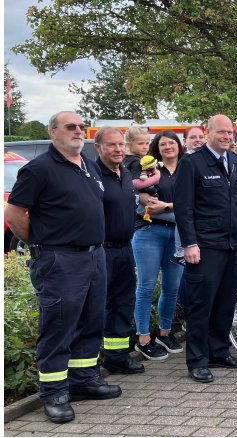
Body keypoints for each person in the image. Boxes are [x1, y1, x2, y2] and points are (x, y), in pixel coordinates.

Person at [5, 111, 121, 423]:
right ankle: (54, 391)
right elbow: (15, 214)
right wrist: (44, 245)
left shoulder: (88, 165)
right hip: (60, 259)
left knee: (91, 321)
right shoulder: (39, 169)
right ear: (52, 132)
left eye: (82, 127)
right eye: (70, 127)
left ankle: (83, 381)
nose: (78, 131)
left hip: (95, 257)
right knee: (59, 326)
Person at [174, 114, 237, 384]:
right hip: (205, 247)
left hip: (232, 245)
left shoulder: (235, 162)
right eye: (221, 132)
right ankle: (197, 360)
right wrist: (189, 243)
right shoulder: (192, 163)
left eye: (230, 132)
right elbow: (184, 208)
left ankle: (219, 352)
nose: (226, 136)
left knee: (225, 303)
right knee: (201, 305)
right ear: (207, 133)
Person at [93, 128, 145, 376]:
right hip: (102, 251)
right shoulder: (93, 175)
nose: (117, 149)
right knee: (98, 307)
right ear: (98, 147)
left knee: (123, 304)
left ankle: (117, 357)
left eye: (120, 145)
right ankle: (89, 366)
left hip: (125, 249)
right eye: (111, 145)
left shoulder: (124, 173)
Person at [132, 131, 186, 362]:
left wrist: (167, 206)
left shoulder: (187, 169)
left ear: (179, 146)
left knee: (172, 287)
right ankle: (143, 338)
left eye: (171, 143)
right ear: (156, 148)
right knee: (146, 286)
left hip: (179, 234)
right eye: (162, 144)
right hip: (149, 232)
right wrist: (173, 208)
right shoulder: (150, 171)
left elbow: (192, 202)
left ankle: (165, 333)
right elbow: (147, 204)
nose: (167, 147)